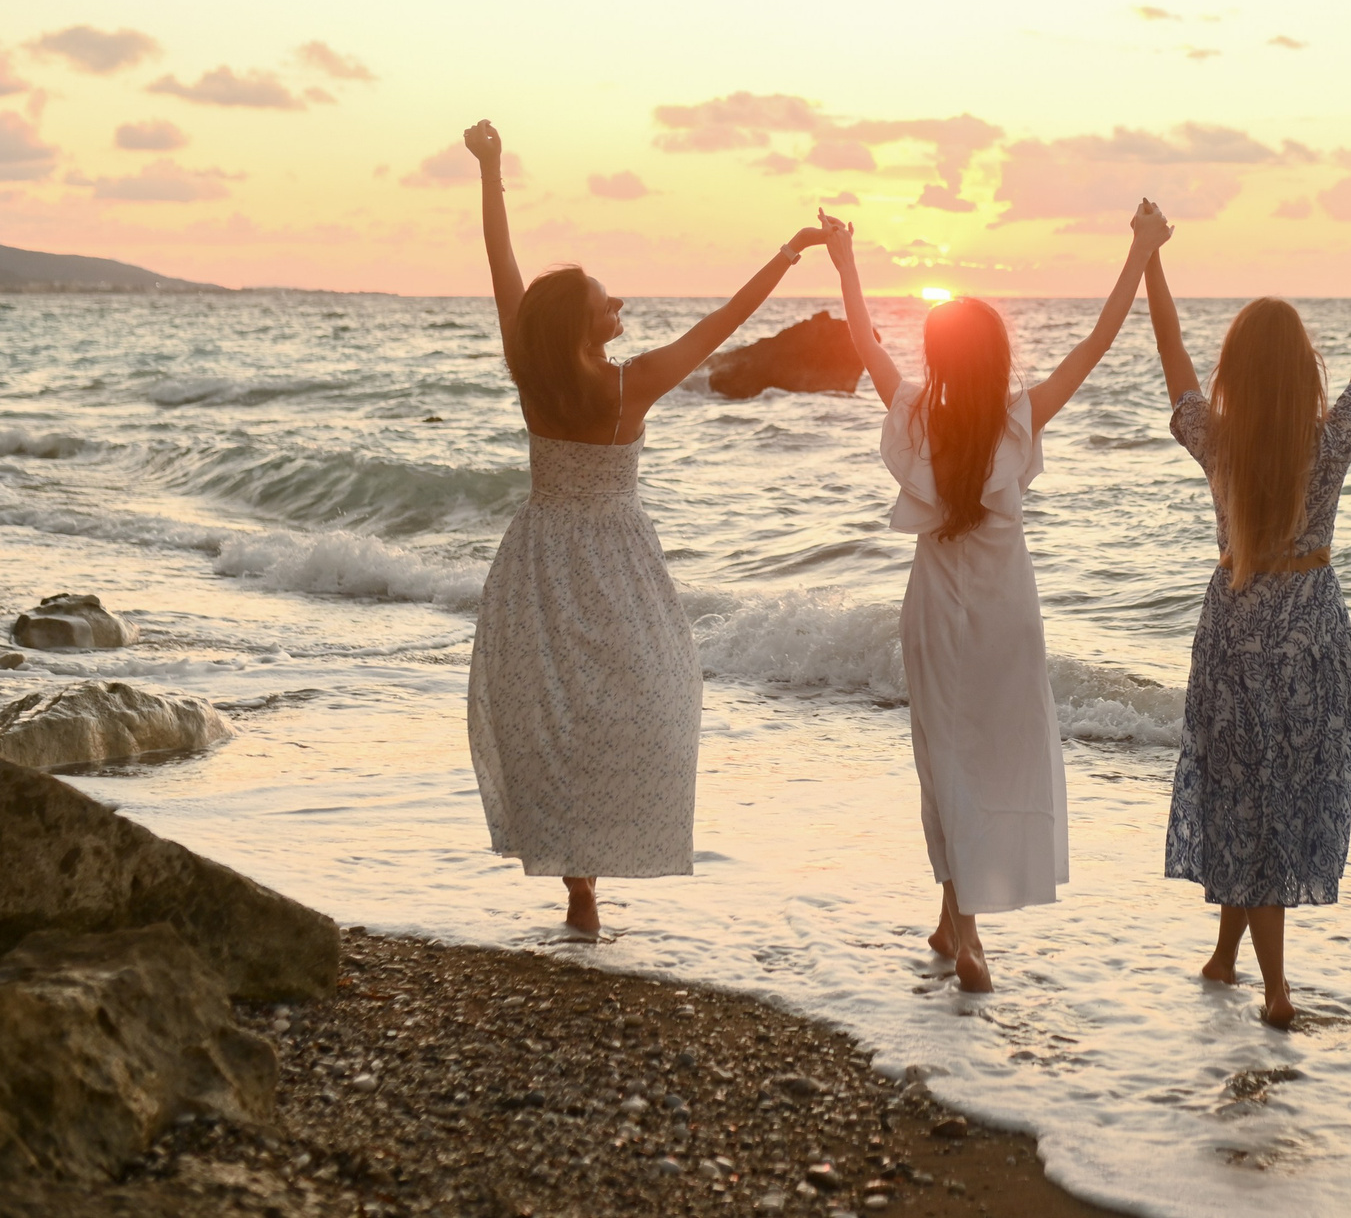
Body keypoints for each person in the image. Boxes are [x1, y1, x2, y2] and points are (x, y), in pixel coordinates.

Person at [463, 118, 829, 936]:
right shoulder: (632, 386)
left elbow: (501, 264)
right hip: (617, 557)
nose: (619, 301)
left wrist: (490, 169)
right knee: (643, 696)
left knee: (556, 709)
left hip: (539, 556)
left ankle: (579, 880)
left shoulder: (533, 376)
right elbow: (723, 325)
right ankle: (592, 871)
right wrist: (786, 254)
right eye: (605, 299)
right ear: (584, 325)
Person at [818, 199, 1176, 991]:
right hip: (1008, 614)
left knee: (943, 761)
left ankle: (965, 927)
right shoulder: (1020, 419)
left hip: (938, 614)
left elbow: (863, 340)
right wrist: (1141, 251)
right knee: (992, 758)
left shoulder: (915, 415)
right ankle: (958, 924)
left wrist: (846, 258)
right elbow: (1095, 344)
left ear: (941, 358)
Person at [1142, 155, 1351, 1024]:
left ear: (1237, 370)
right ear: (1304, 366)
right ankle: (1273, 988)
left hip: (1235, 630)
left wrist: (1153, 258)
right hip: (1313, 632)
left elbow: (1173, 364)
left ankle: (1232, 958)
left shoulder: (1218, 441)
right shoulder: (1332, 440)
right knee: (1277, 797)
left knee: (1244, 790)